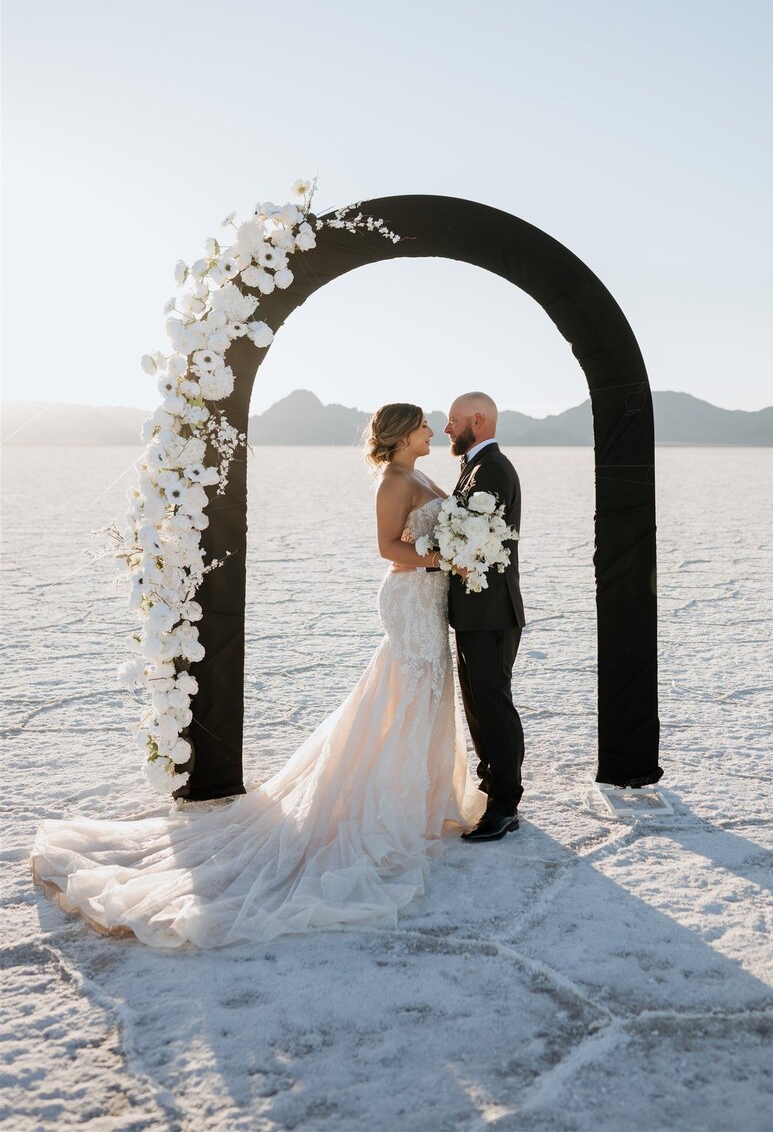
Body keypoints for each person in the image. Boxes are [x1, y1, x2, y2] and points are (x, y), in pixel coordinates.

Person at [29, 403, 483, 949]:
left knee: (423, 692)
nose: (432, 430)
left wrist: (454, 551)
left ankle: (424, 796)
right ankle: (392, 805)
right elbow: (387, 548)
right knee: (409, 690)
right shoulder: (393, 482)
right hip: (410, 599)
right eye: (423, 426)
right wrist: (444, 558)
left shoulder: (420, 472)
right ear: (404, 434)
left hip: (429, 600)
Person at [444, 392, 527, 843]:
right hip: (475, 611)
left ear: (478, 419)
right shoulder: (476, 466)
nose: (447, 429)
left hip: (492, 611)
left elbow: (480, 542)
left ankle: (505, 805)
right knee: (479, 704)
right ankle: (494, 785)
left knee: (493, 705)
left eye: (453, 420)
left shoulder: (492, 469)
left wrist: (433, 551)